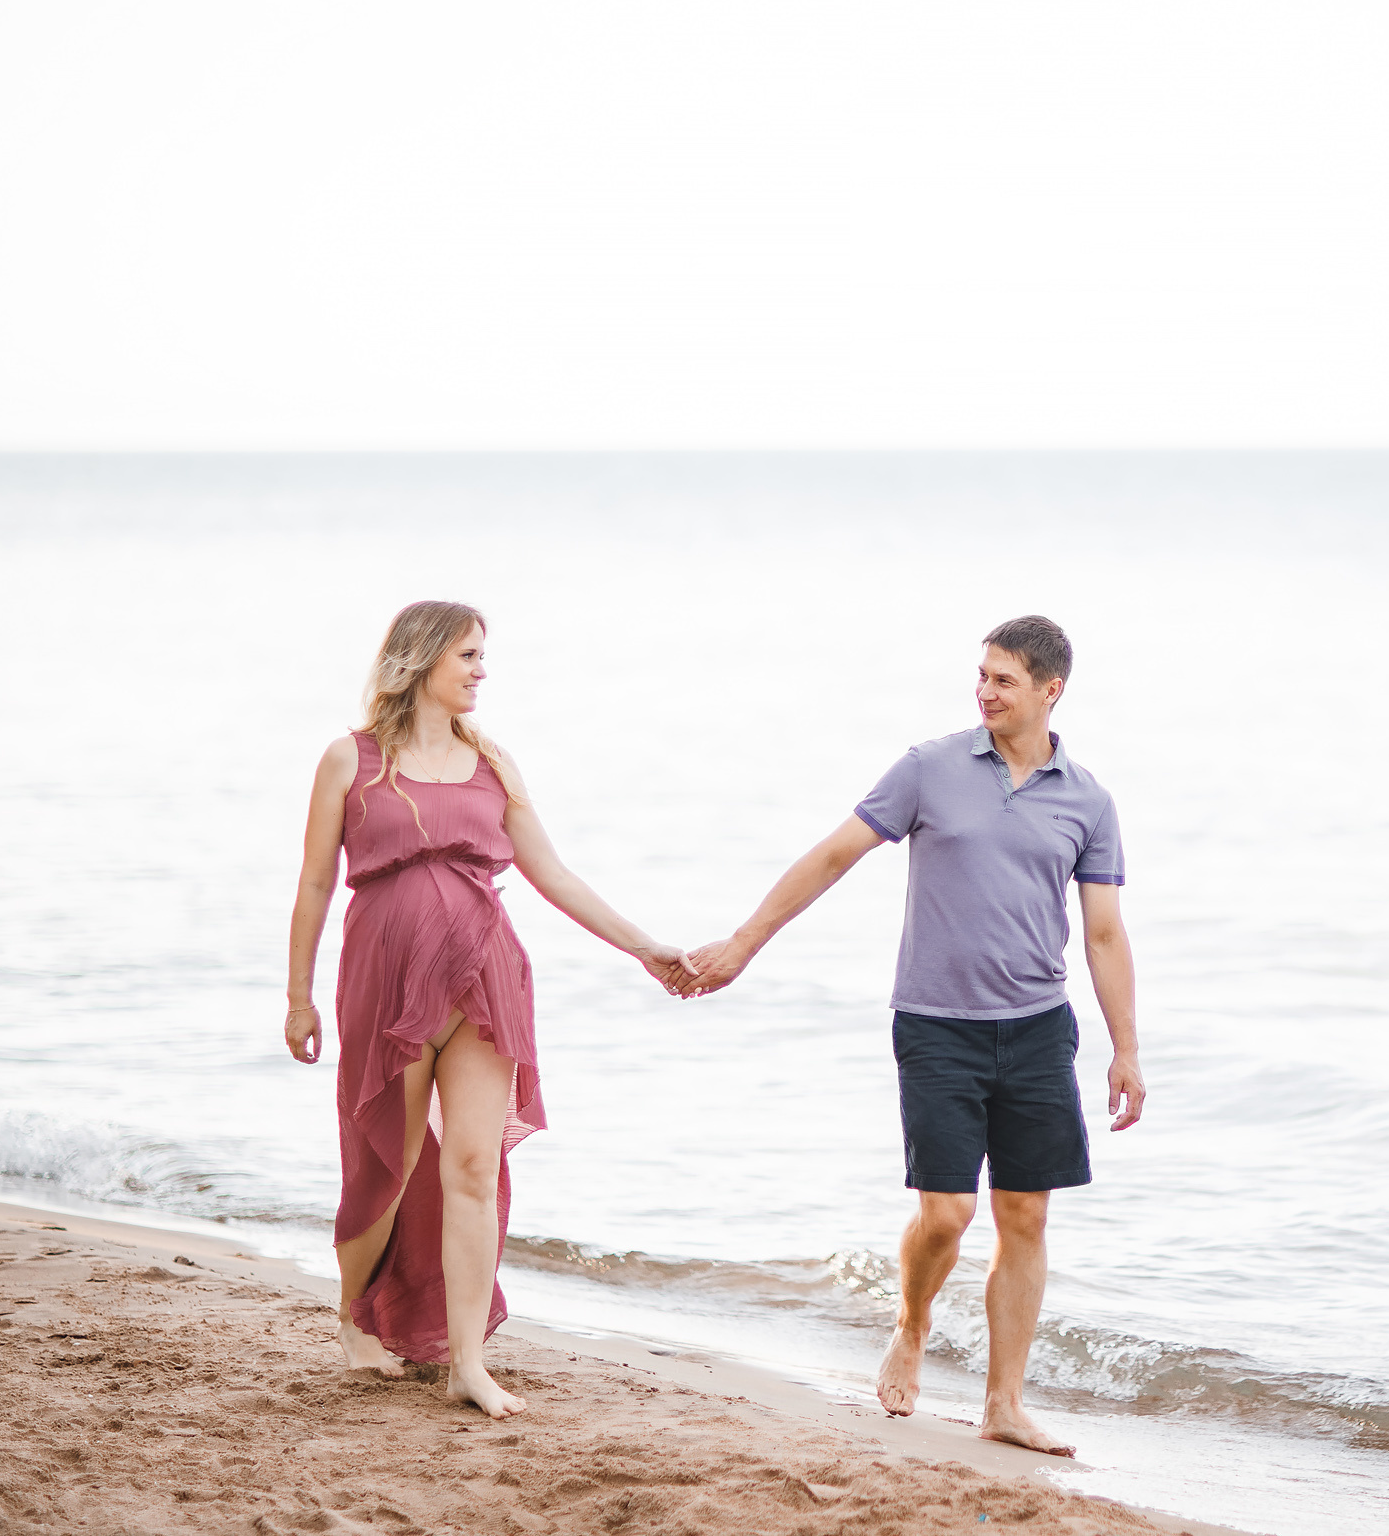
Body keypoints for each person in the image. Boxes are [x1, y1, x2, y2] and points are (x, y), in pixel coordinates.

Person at [678, 614, 1144, 1457]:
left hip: (1039, 1029)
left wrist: (1127, 1047)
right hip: (937, 1025)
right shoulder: (929, 768)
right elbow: (833, 856)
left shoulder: (1089, 800)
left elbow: (1105, 932)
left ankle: (1003, 1403)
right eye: (982, 674)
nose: (985, 690)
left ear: (1051, 690)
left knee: (1025, 1217)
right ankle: (914, 1319)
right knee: (947, 1212)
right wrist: (743, 944)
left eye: (1004, 679)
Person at [283, 600, 692, 1418]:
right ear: (422, 657)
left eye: (481, 656)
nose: (479, 669)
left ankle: (468, 1360)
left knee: (473, 1166)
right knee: (386, 1166)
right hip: (386, 976)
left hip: (484, 975)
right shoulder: (350, 759)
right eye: (467, 654)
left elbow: (554, 875)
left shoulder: (493, 761)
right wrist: (297, 994)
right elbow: (317, 882)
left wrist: (646, 947)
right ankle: (354, 1316)